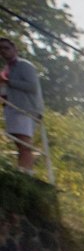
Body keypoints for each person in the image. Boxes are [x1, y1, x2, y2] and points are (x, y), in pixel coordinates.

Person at [1, 37, 43, 172]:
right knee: (19, 143)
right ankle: (23, 170)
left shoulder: (24, 65)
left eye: (6, 48)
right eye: (0, 49)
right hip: (13, 109)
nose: (3, 51)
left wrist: (8, 82)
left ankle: (26, 172)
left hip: (25, 109)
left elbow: (32, 86)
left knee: (24, 143)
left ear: (15, 49)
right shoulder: (7, 69)